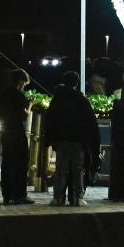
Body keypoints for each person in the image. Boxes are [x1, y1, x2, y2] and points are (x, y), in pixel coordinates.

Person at [43, 73, 99, 207]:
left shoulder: (57, 98)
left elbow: (50, 119)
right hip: (78, 140)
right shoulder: (81, 99)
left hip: (62, 139)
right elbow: (90, 122)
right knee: (78, 169)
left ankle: (58, 197)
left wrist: (49, 139)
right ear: (77, 83)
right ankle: (77, 197)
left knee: (61, 168)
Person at [0, 69, 35, 205]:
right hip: (17, 131)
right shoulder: (18, 95)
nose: (24, 86)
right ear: (21, 81)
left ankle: (7, 195)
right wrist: (30, 104)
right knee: (21, 163)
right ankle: (20, 195)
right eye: (24, 83)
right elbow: (24, 115)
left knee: (7, 162)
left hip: (5, 130)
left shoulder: (3, 94)